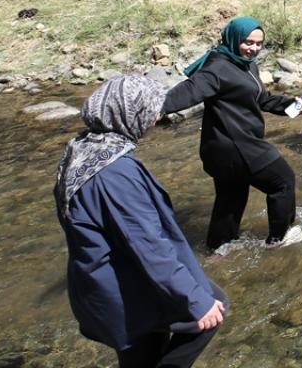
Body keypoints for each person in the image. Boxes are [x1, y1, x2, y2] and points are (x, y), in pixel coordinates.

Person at [55, 76, 227, 368]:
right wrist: (196, 300)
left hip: (106, 280)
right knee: (213, 307)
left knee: (142, 354)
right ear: (128, 113)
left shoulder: (84, 147)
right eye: (151, 110)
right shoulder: (115, 173)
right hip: (126, 289)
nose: (157, 116)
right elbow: (148, 244)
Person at [162, 17, 302, 252]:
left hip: (222, 149)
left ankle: (218, 249)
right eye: (248, 42)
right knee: (282, 182)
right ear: (234, 39)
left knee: (231, 200)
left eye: (259, 43)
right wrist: (156, 106)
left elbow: (262, 99)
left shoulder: (246, 64)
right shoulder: (217, 68)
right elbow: (190, 90)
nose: (254, 48)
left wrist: (292, 106)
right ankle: (278, 239)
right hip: (237, 146)